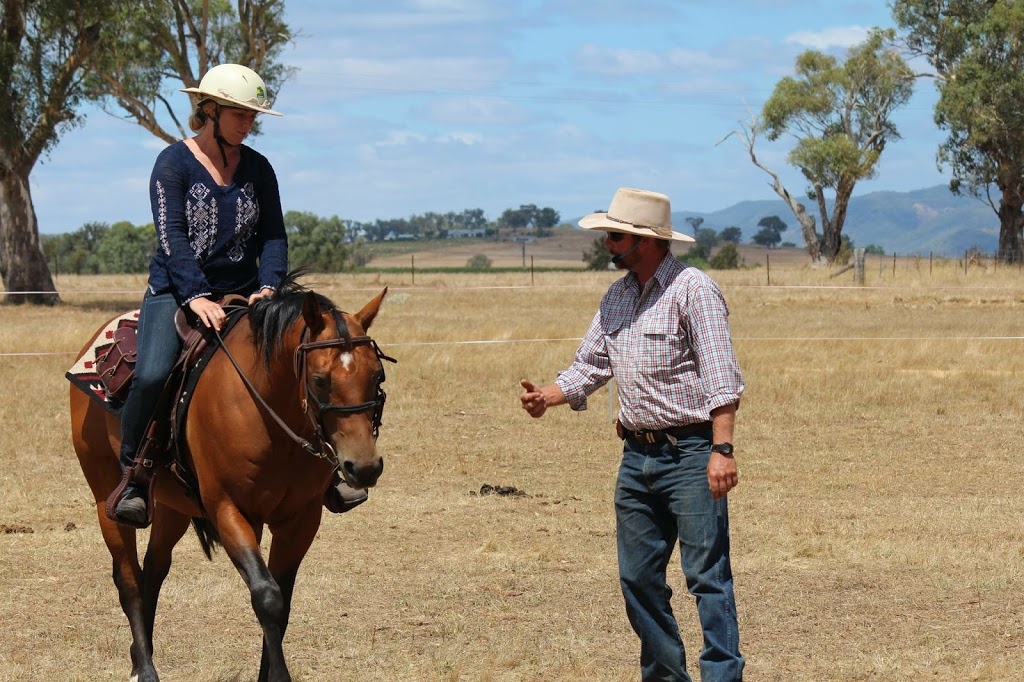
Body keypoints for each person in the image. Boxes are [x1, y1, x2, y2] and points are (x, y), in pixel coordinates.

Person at [108, 64, 363, 526]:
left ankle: (328, 471)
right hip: (176, 291)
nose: (248, 123)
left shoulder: (258, 167)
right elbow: (173, 238)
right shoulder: (173, 163)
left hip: (249, 294)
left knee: (302, 364)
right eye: (240, 114)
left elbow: (273, 236)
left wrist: (269, 285)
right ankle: (136, 476)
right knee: (150, 375)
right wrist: (196, 295)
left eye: (252, 116)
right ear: (210, 110)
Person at [519, 187, 745, 681]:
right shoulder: (617, 296)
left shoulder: (694, 291)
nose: (608, 244)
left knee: (707, 578)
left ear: (646, 241)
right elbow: (590, 365)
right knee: (637, 578)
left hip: (691, 453)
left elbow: (722, 377)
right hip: (636, 459)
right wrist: (548, 398)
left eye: (615, 236)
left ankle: (722, 676)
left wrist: (721, 449)